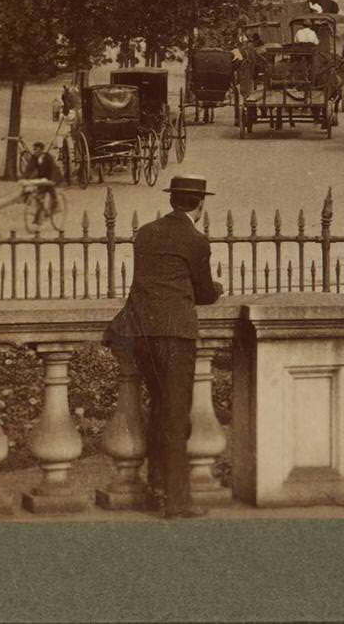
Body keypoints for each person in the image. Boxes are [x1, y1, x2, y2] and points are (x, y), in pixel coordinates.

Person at [104, 174, 222, 519]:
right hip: (175, 336)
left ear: (173, 201)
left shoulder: (147, 233)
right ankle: (178, 501)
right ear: (200, 204)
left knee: (158, 410)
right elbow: (202, 293)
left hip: (141, 332)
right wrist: (216, 287)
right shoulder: (196, 239)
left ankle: (156, 490)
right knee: (174, 416)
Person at [21, 142, 62, 223]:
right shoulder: (34, 158)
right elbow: (29, 168)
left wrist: (51, 180)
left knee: (50, 188)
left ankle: (56, 204)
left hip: (53, 176)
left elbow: (53, 168)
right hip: (43, 178)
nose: (34, 151)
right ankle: (39, 217)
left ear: (41, 150)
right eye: (34, 149)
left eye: (36, 149)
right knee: (39, 196)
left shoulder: (48, 157)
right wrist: (23, 178)